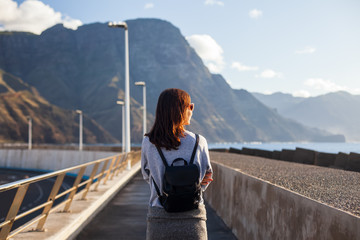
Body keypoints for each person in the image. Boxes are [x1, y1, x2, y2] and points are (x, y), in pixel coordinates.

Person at [141, 88, 213, 240]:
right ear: (181, 109)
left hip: (159, 219)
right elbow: (207, 176)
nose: (192, 110)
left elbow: (147, 176)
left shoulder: (149, 142)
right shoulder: (199, 142)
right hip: (193, 220)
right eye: (190, 106)